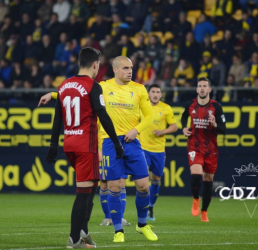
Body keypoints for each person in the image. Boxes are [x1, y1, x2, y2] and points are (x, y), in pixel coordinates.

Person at [39, 56, 158, 243]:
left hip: (133, 141)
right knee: (114, 186)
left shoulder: (139, 89)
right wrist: (53, 95)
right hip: (110, 142)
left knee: (144, 185)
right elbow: (80, 93)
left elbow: (149, 118)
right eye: (126, 68)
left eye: (131, 68)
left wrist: (136, 130)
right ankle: (118, 230)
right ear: (116, 70)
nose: (130, 71)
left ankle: (142, 225)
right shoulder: (103, 86)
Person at [45, 47, 124, 248]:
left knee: (91, 187)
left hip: (69, 144)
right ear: (95, 64)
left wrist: (53, 145)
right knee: (83, 192)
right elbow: (104, 117)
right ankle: (73, 239)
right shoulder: (93, 86)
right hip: (85, 145)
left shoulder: (63, 86)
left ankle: (84, 231)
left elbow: (57, 119)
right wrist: (116, 143)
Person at [180, 77, 226, 222]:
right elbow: (183, 116)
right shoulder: (190, 104)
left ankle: (204, 211)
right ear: (197, 89)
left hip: (211, 148)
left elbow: (223, 129)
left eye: (204, 86)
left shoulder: (216, 107)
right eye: (199, 86)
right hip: (194, 145)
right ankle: (195, 198)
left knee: (208, 180)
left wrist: (214, 125)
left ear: (209, 89)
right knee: (196, 174)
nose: (202, 88)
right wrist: (184, 128)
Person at [140, 84, 178, 221]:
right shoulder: (142, 106)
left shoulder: (166, 108)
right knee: (143, 180)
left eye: (158, 92)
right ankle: (143, 210)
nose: (155, 94)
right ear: (148, 94)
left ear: (161, 94)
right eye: (153, 92)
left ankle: (150, 208)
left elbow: (174, 126)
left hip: (159, 150)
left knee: (156, 179)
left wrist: (163, 131)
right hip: (143, 149)